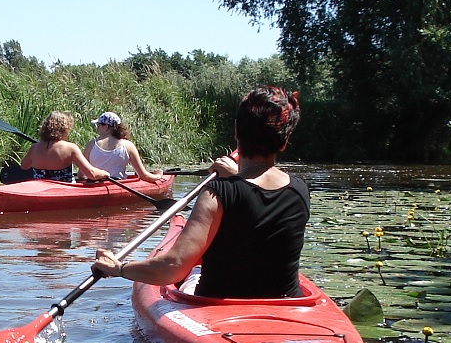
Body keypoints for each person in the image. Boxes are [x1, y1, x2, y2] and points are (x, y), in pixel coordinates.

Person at [92, 86, 309, 298]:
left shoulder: (218, 192)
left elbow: (172, 268)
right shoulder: (299, 189)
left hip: (219, 310)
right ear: (284, 142)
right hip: (285, 304)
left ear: (236, 131)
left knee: (192, 272)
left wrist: (119, 268)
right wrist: (235, 178)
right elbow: (254, 198)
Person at [21, 111, 110, 182]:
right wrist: (105, 173)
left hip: (41, 193)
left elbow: (24, 166)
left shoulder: (34, 148)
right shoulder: (70, 148)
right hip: (63, 193)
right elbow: (92, 174)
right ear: (65, 129)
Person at [78, 111, 164, 182]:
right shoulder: (128, 146)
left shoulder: (91, 145)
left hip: (94, 185)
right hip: (118, 184)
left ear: (106, 127)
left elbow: (81, 175)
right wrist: (158, 175)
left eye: (98, 125)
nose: (97, 128)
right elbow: (144, 176)